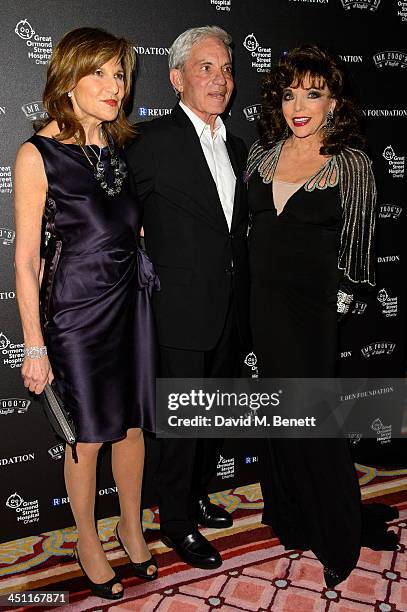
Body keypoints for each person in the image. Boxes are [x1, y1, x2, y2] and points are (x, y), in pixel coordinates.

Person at [14, 27, 159, 600]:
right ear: (68, 81)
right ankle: (86, 539)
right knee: (89, 438)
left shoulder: (115, 151)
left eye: (119, 73)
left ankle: (129, 522)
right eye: (98, 73)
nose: (114, 85)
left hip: (130, 308)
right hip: (76, 315)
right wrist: (33, 342)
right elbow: (26, 261)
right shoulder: (38, 154)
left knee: (130, 429)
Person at [246, 44, 398, 588]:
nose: (299, 105)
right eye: (289, 94)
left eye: (313, 93)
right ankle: (293, 514)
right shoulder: (261, 156)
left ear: (334, 101)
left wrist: (338, 304)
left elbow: (360, 247)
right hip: (264, 307)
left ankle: (337, 534)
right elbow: (246, 233)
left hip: (312, 313)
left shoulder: (351, 163)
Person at [126, 26, 250, 569]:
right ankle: (175, 521)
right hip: (176, 311)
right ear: (177, 79)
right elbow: (117, 216)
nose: (219, 79)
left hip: (228, 307)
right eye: (205, 68)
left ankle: (197, 493)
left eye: (225, 69)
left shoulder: (239, 145)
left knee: (212, 416)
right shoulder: (151, 143)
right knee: (180, 425)